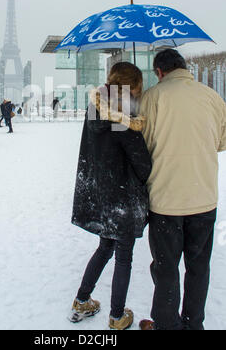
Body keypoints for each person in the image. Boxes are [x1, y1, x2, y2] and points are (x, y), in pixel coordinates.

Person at [139, 49, 226, 331]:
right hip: (204, 198)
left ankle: (167, 325)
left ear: (159, 72)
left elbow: (142, 146)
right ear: (184, 67)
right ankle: (193, 323)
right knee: (199, 267)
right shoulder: (213, 97)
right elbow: (221, 142)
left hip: (166, 200)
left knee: (166, 269)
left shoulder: (152, 98)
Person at [69, 62, 152, 330]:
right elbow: (143, 164)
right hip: (123, 197)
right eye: (137, 89)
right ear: (128, 88)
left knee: (106, 247)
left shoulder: (95, 109)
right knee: (123, 257)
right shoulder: (122, 118)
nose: (138, 95)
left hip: (103, 194)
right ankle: (117, 317)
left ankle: (82, 299)